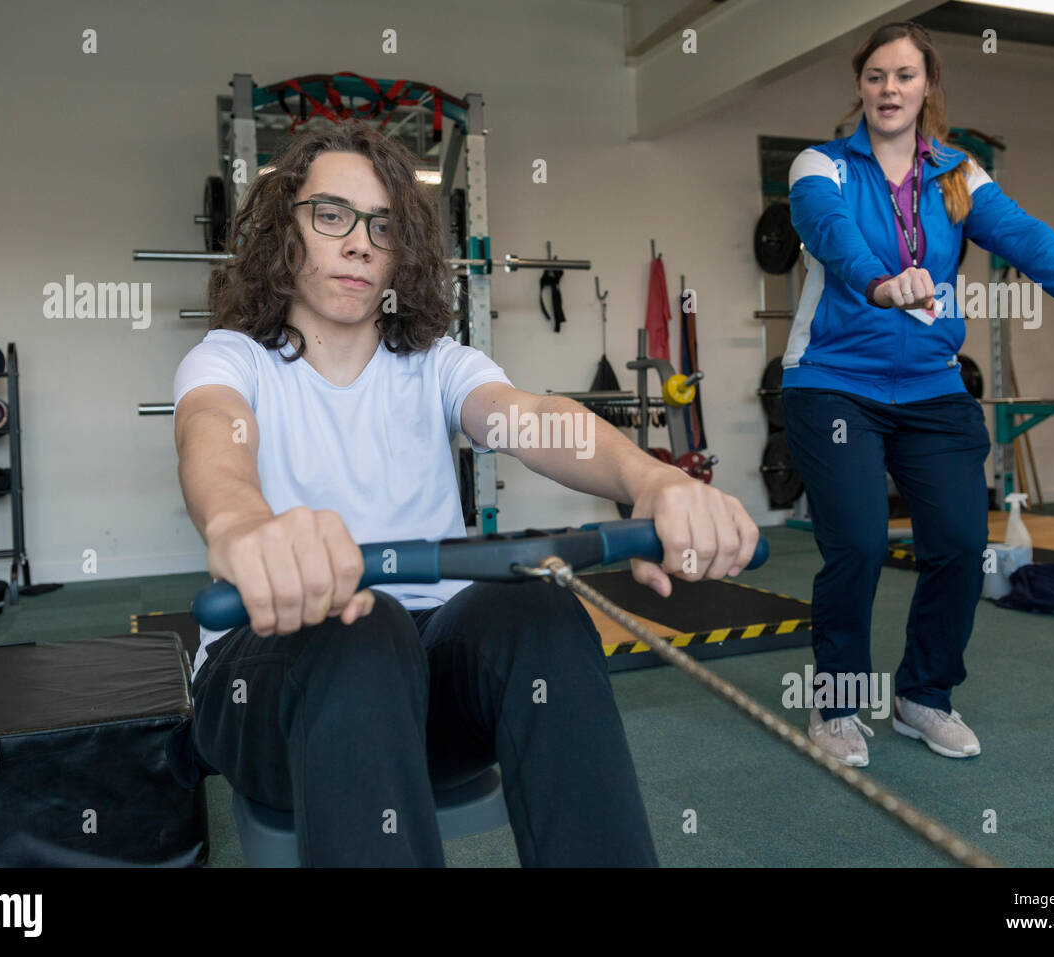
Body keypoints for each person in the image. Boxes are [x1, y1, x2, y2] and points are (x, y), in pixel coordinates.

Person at [170, 122, 760, 866]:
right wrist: (242, 523)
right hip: (270, 692)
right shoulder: (231, 359)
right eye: (331, 216)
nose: (358, 243)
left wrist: (655, 479)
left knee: (534, 603)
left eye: (382, 226)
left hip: (427, 694)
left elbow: (535, 417)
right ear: (283, 230)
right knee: (362, 625)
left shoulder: (436, 365)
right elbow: (214, 435)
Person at [781, 21, 1054, 767]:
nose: (890, 89)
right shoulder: (821, 166)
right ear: (861, 85)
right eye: (877, 75)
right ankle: (839, 705)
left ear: (927, 88)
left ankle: (925, 696)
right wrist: (882, 282)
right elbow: (832, 235)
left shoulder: (956, 175)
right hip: (833, 383)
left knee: (958, 541)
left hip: (931, 388)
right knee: (856, 540)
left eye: (905, 76)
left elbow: (1023, 234)